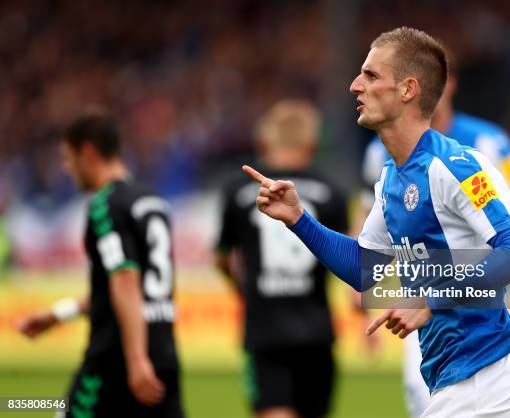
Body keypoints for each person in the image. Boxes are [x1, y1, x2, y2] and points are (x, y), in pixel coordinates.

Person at [243, 27, 510, 418]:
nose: (354, 86)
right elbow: (364, 269)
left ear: (408, 89)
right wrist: (298, 218)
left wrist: (431, 300)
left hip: (484, 381)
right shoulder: (392, 178)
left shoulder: (455, 166)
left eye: (371, 75)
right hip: (454, 381)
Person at [359, 67, 510, 416]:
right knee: (423, 391)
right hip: (426, 315)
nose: (358, 87)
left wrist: (476, 271)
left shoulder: (485, 143)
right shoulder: (383, 157)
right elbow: (370, 233)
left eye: (371, 77)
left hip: (475, 309)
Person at [17, 112, 183, 418]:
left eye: (68, 159)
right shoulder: (151, 200)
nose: (67, 169)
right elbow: (122, 291)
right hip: (163, 351)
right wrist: (58, 314)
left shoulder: (106, 205)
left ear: (88, 153)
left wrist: (135, 359)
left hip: (118, 358)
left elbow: (124, 279)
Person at [216, 99, 348, 418]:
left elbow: (222, 256)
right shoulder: (332, 192)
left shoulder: (239, 192)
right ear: (313, 145)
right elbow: (346, 257)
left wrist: (243, 287)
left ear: (264, 141)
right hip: (317, 331)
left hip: (265, 331)